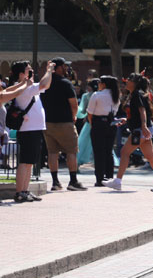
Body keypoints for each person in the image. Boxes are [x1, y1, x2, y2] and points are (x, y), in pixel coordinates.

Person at [110, 73, 153, 192]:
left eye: (129, 79)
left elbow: (142, 111)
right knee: (150, 156)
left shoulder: (137, 94)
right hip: (143, 128)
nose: (126, 81)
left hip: (141, 129)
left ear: (135, 83)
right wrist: (126, 120)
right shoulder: (135, 94)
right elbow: (137, 113)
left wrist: (143, 126)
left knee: (124, 152)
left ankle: (117, 181)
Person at [8, 60, 54, 202]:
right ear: (22, 74)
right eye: (29, 71)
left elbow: (46, 85)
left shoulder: (28, 87)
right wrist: (49, 70)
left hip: (33, 129)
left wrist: (48, 73)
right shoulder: (21, 88)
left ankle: (25, 190)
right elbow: (44, 84)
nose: (31, 72)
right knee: (25, 162)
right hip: (28, 130)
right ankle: (19, 192)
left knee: (29, 162)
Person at [40, 57, 86, 192]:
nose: (66, 69)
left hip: (48, 123)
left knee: (52, 152)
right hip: (65, 122)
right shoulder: (65, 83)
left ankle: (55, 182)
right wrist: (74, 116)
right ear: (58, 67)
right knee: (71, 151)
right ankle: (73, 181)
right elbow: (73, 103)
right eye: (64, 66)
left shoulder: (44, 84)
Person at [87, 75, 119, 187]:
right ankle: (109, 177)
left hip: (98, 123)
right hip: (111, 124)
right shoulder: (116, 96)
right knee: (108, 151)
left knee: (98, 152)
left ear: (104, 84)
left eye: (100, 82)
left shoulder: (97, 95)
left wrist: (92, 125)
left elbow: (89, 113)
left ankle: (100, 178)